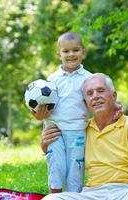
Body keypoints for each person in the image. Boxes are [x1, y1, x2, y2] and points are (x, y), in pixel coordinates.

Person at [41, 73, 128, 200]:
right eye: (89, 93)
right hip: (92, 193)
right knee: (50, 199)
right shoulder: (82, 130)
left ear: (114, 96)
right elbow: (64, 157)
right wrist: (46, 146)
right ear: (86, 103)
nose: (95, 96)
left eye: (100, 91)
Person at [31, 32, 92, 193]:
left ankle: (74, 196)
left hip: (78, 131)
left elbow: (95, 104)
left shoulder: (89, 79)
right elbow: (39, 106)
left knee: (75, 167)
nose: (71, 54)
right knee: (56, 165)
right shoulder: (51, 80)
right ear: (59, 54)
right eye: (66, 51)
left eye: (75, 50)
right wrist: (37, 115)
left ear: (83, 52)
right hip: (54, 130)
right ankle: (55, 196)